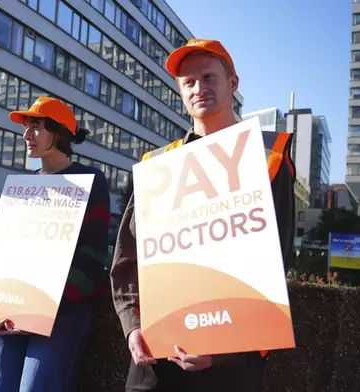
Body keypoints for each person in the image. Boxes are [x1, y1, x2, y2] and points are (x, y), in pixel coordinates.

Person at [110, 39, 296, 392]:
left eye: (209, 77)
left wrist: (222, 346)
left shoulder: (267, 157)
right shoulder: (158, 165)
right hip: (155, 360)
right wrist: (132, 324)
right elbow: (127, 257)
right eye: (189, 82)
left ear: (233, 83)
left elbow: (275, 263)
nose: (199, 89)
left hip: (232, 366)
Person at [0, 96, 111, 392]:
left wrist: (45, 308)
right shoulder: (23, 184)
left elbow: (93, 259)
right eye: (26, 127)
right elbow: (2, 253)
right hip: (14, 309)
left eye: (36, 127)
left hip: (63, 310)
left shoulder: (91, 179)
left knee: (36, 387)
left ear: (59, 133)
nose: (26, 134)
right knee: (1, 387)